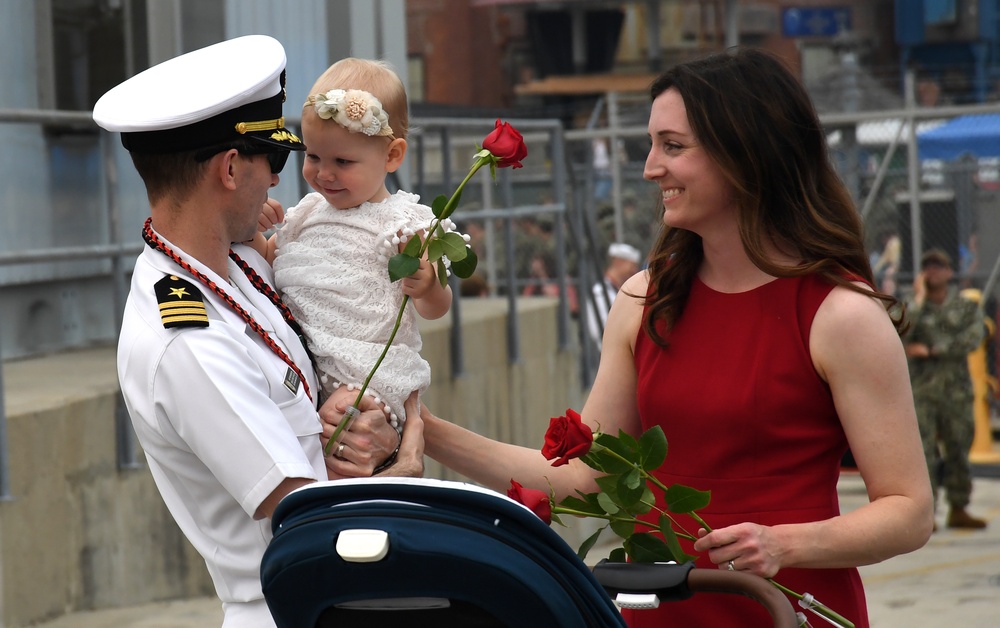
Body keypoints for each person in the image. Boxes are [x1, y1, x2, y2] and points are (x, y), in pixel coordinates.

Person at [419, 48, 932, 628]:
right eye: (652, 144)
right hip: (660, 609)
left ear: (746, 155)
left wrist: (785, 545)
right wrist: (426, 430)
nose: (649, 168)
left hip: (788, 611)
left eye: (673, 146)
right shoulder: (643, 300)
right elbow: (581, 476)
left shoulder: (841, 315)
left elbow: (909, 512)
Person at [93, 36, 423, 627]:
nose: (280, 182)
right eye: (274, 161)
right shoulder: (186, 341)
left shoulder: (241, 263)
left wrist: (374, 423)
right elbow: (300, 513)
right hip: (292, 607)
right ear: (228, 168)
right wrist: (404, 466)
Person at [254, 57, 452, 430]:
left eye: (342, 161)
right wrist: (253, 227)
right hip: (301, 362)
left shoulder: (406, 225)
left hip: (367, 371)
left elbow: (437, 308)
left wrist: (427, 285)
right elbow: (269, 261)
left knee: (351, 420)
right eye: (313, 156)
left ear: (391, 155)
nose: (323, 173)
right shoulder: (308, 212)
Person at [903, 249, 988, 530]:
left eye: (939, 266)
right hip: (922, 392)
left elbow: (973, 337)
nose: (932, 271)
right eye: (927, 266)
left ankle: (959, 507)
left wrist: (931, 350)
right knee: (922, 454)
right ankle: (927, 515)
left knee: (958, 449)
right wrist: (918, 300)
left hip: (955, 391)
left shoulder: (964, 307)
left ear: (950, 272)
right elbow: (900, 334)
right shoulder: (913, 306)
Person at [586, 242, 641, 350]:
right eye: (632, 265)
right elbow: (599, 330)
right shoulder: (600, 292)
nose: (634, 270)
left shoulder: (619, 290)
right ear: (618, 262)